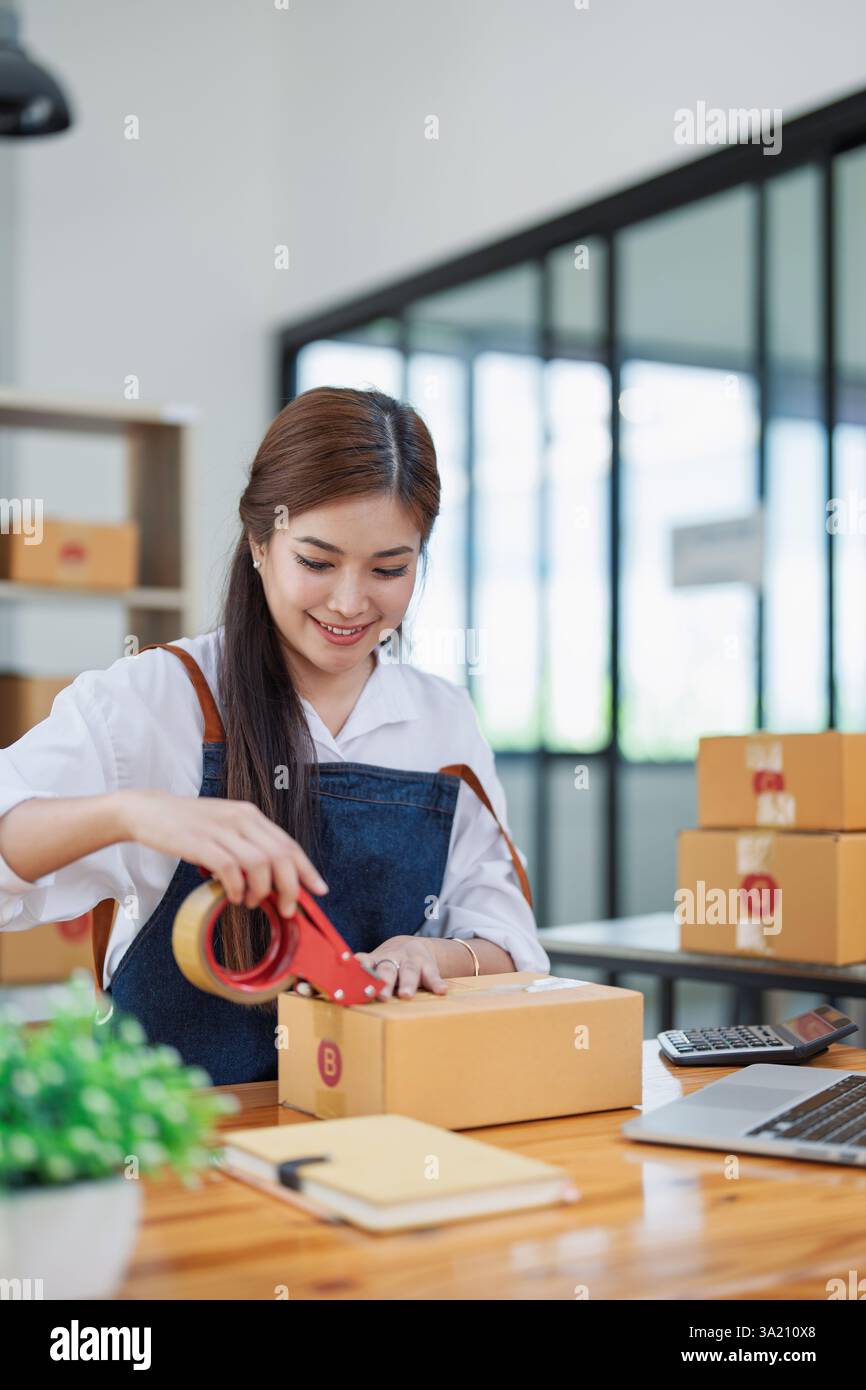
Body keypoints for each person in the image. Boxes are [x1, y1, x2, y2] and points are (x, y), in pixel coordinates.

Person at [0, 385, 549, 1083]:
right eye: (316, 562)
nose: (351, 602)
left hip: (386, 1130)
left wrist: (429, 955)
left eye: (390, 569)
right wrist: (130, 813)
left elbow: (512, 942)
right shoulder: (153, 698)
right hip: (187, 1148)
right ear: (260, 542)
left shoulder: (443, 718)